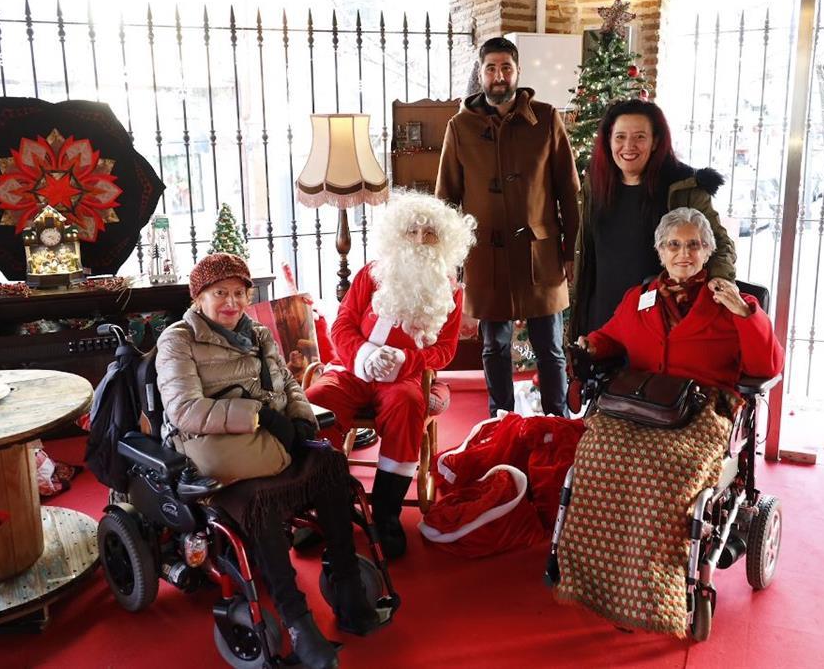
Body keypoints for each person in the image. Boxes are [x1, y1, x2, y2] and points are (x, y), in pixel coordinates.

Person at [553, 207, 784, 637]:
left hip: (704, 405)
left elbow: (767, 365)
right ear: (660, 250)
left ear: (708, 251)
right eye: (674, 245)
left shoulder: (732, 301)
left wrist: (746, 316)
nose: (683, 253)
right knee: (595, 456)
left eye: (693, 244)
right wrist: (590, 344)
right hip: (640, 400)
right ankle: (599, 580)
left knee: (666, 474)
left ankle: (661, 589)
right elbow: (612, 336)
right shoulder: (639, 297)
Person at [157, 253, 380, 669]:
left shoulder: (257, 332)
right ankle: (296, 620)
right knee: (260, 499)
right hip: (210, 442)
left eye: (240, 293)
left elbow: (289, 383)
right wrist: (259, 417)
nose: (232, 302)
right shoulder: (178, 339)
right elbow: (184, 410)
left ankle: (347, 586)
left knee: (330, 464)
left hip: (268, 436)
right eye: (220, 293)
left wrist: (300, 419)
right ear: (199, 297)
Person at [307, 191, 476, 559]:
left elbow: (445, 350)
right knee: (316, 403)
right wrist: (364, 354)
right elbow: (342, 326)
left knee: (407, 402)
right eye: (411, 231)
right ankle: (324, 507)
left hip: (404, 377)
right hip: (354, 369)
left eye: (429, 233)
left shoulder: (450, 290)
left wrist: (405, 359)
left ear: (443, 239)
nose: (419, 240)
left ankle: (386, 513)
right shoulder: (372, 272)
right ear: (397, 235)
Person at [436, 36, 580, 419]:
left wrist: (569, 253)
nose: (499, 76)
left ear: (517, 72)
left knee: (550, 348)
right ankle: (500, 422)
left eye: (506, 68)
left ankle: (557, 421)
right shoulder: (460, 127)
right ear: (480, 74)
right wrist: (451, 261)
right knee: (494, 347)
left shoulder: (547, 119)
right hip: (486, 256)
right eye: (491, 68)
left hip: (540, 254)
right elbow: (446, 199)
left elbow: (569, 191)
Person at [570, 99, 737, 339]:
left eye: (639, 137)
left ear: (655, 141)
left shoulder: (683, 188)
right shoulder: (595, 184)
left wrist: (719, 281)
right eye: (620, 137)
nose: (629, 146)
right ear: (608, 140)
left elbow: (720, 245)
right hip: (601, 322)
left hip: (660, 324)